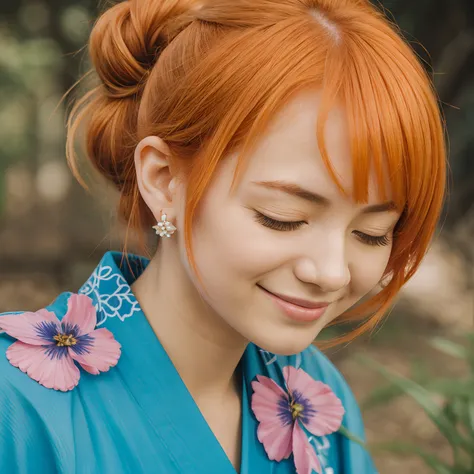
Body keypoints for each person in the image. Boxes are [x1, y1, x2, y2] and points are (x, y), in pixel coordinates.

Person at [0, 0, 447, 473]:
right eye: (283, 217)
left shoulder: (316, 402)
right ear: (163, 178)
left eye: (372, 234)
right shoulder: (17, 404)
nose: (332, 272)